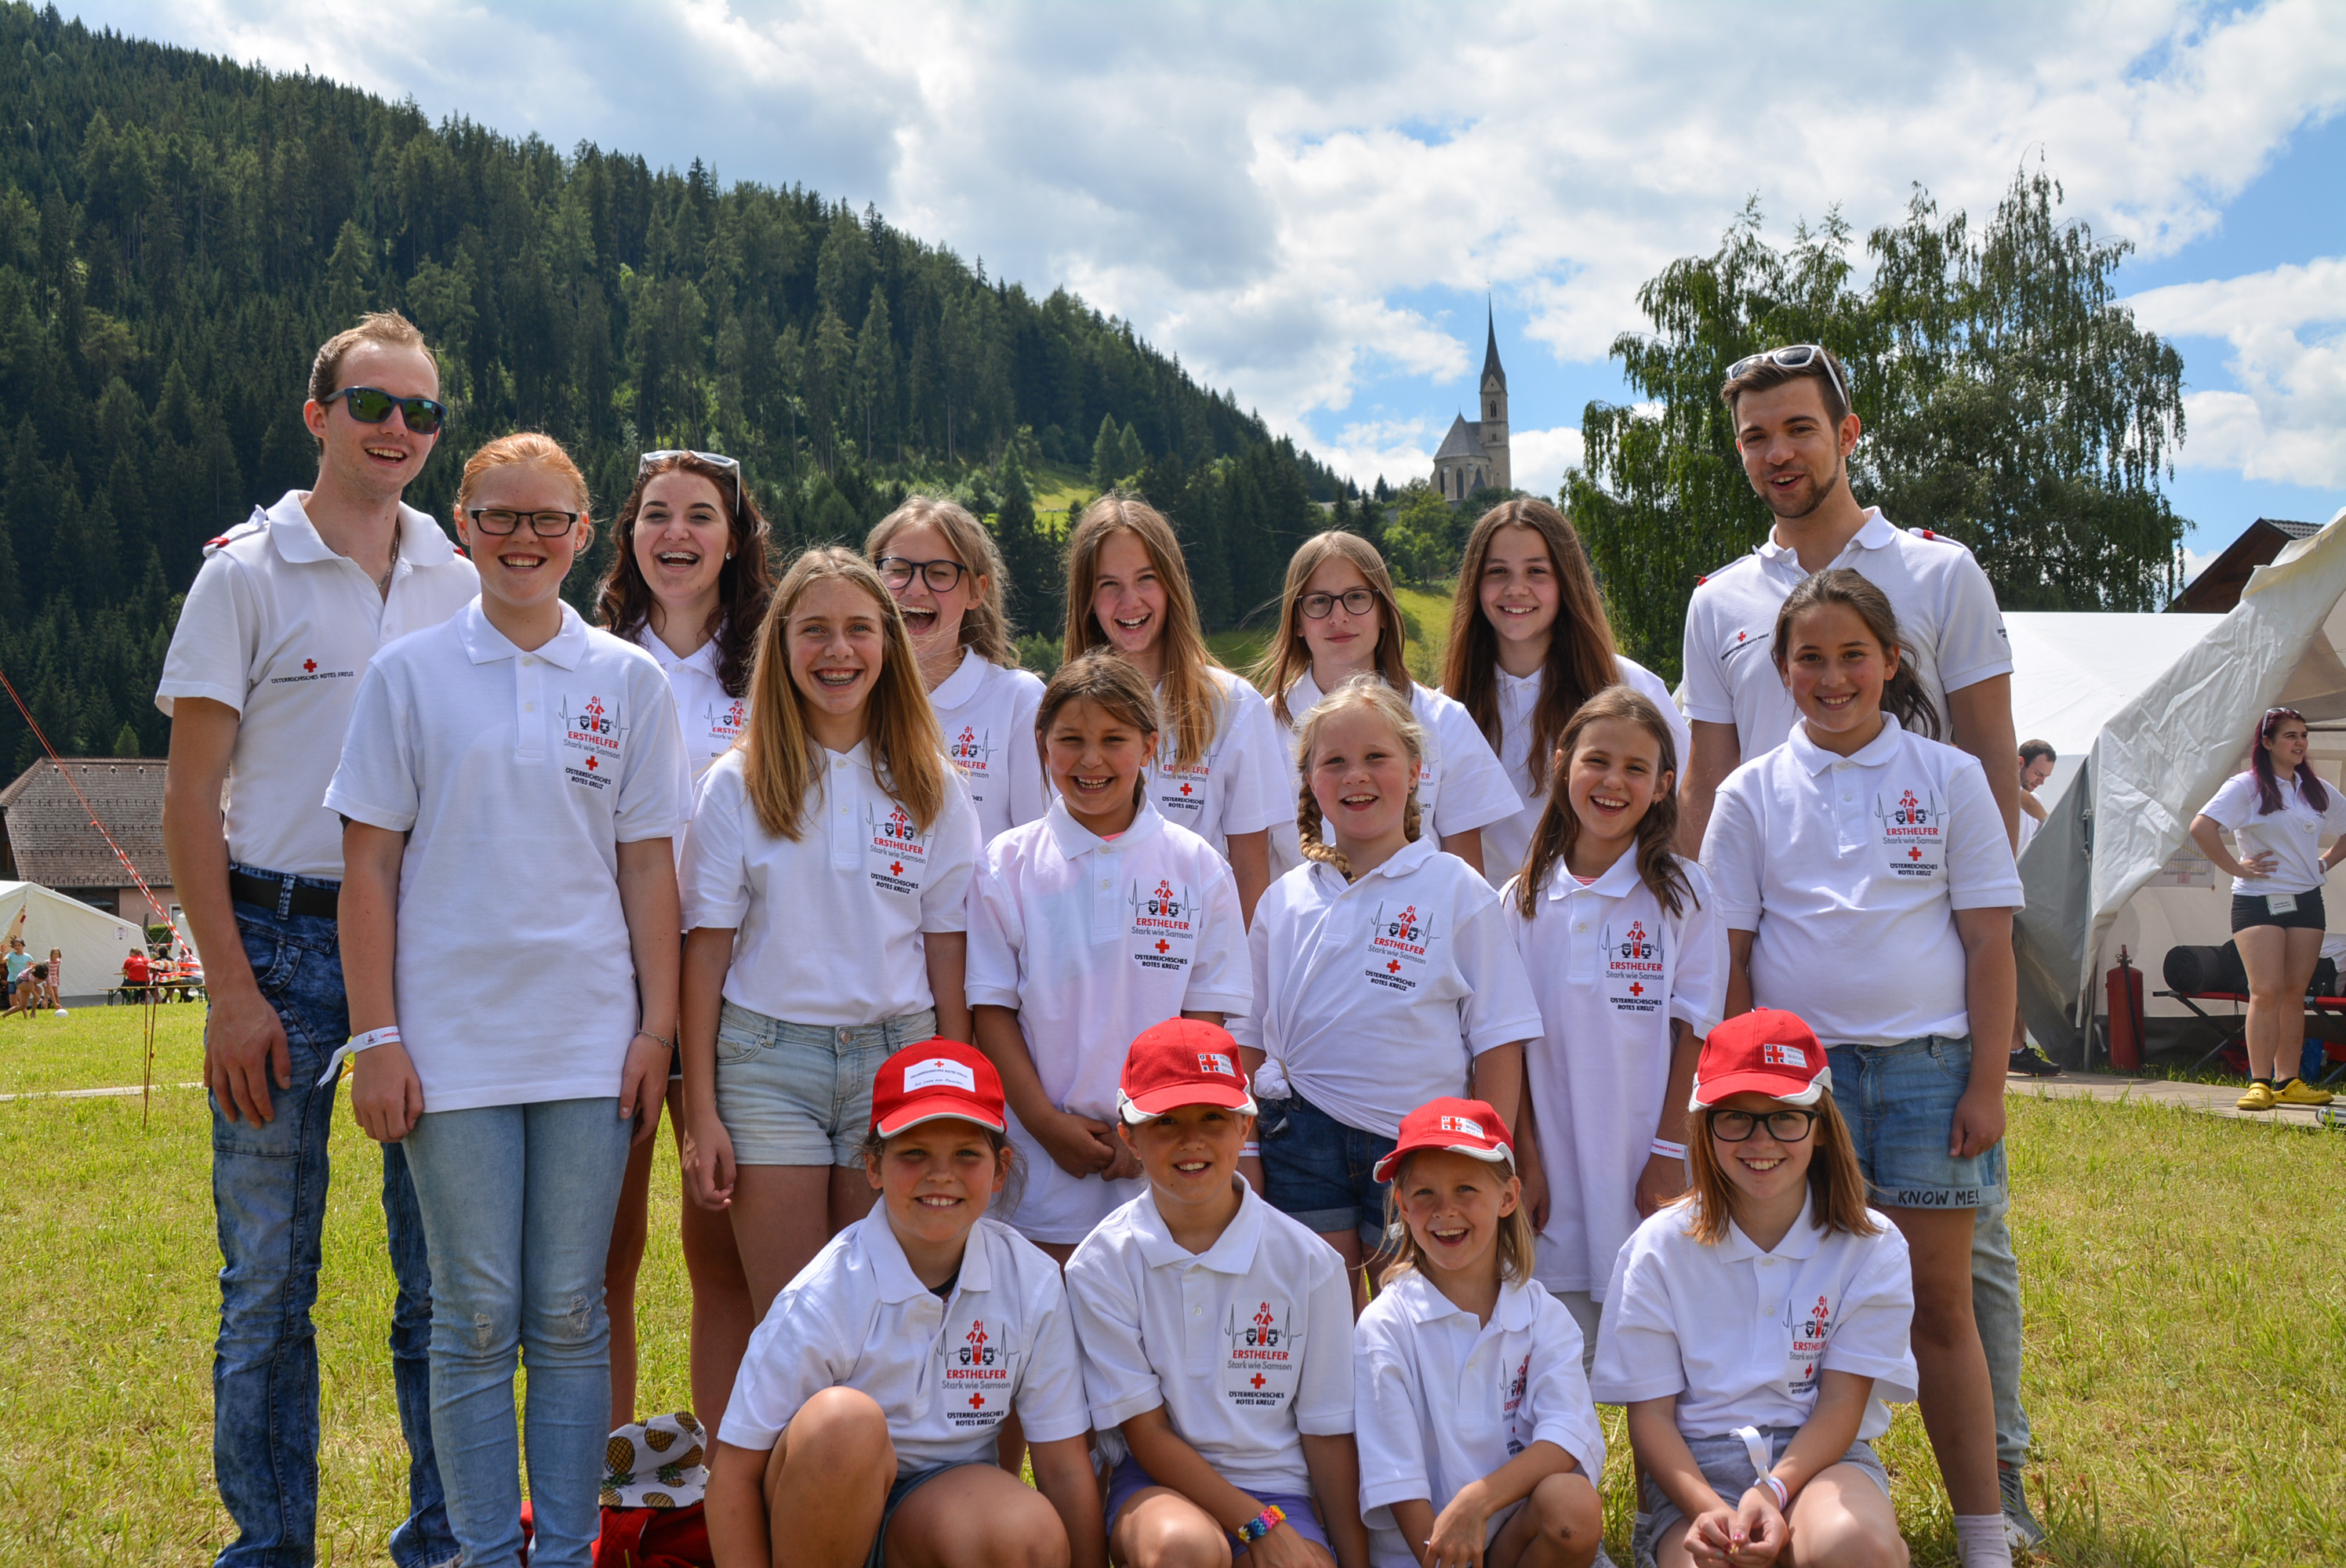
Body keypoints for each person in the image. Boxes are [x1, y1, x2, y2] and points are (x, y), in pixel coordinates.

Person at [1678, 347, 2039, 1550]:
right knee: (1794, 1278)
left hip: (1926, 1006)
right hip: (1793, 1037)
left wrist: (1990, 1036)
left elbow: (1989, 754)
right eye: (1754, 438)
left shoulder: (1940, 569)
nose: (1777, 453)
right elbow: (1711, 783)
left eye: (1797, 428)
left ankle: (2002, 1490)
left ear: (1847, 430)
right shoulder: (1722, 599)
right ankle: (1797, 1487)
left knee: (1956, 1278)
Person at [326, 430, 690, 1566]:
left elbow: (647, 869)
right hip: (451, 1047)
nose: (523, 539)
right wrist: (377, 1036)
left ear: (584, 536)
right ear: (466, 526)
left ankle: (571, 1549)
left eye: (548, 520)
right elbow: (370, 868)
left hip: (590, 1044)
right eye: (500, 517)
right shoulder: (410, 673)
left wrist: (657, 1031)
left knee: (572, 1315)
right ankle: (487, 1555)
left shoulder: (630, 681)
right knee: (476, 1318)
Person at [157, 310, 472, 1568]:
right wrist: (229, 994)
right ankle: (272, 1550)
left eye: (422, 412)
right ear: (317, 416)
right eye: (371, 405)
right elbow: (189, 803)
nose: (398, 429)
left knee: (438, 1290)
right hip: (275, 943)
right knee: (267, 1290)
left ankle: (444, 1543)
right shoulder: (243, 571)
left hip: (422, 952)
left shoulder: (459, 573)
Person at [680, 547, 980, 1348]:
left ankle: (870, 1476)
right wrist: (701, 1109)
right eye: (813, 630)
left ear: (887, 644)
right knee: (791, 1324)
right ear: (780, 647)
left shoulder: (932, 785)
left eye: (857, 629)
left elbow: (946, 950)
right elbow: (704, 955)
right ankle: (771, 1477)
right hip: (769, 1064)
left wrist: (956, 1090)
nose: (837, 650)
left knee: (881, 1316)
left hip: (898, 1060)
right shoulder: (738, 782)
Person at [703, 1040, 1106, 1568]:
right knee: (844, 1423)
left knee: (1029, 1536)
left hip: (936, 1511)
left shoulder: (1032, 1282)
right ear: (873, 1165)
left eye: (967, 1153)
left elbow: (1064, 1467)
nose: (941, 1175)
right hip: (816, 1515)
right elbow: (732, 1475)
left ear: (1000, 1170)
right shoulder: (826, 1292)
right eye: (914, 1153)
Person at [1233, 676, 1540, 1307]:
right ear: (1310, 782)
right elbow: (1248, 1039)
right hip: (1298, 1141)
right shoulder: (1284, 900)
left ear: (1417, 771)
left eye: (1377, 758)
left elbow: (1500, 1040)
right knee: (1321, 1314)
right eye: (1335, 762)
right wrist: (1251, 1150)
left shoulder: (1456, 888)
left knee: (1418, 1317)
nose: (1356, 777)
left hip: (1417, 1151)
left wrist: (1489, 1156)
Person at [1591, 1010, 1920, 1568]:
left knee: (1854, 1547)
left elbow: (1842, 1403)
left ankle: (1872, 1543)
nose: (1761, 1141)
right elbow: (1650, 1418)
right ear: (1703, 1126)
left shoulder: (1873, 1244)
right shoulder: (1656, 1249)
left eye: (1785, 1118)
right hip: (1695, 1476)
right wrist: (1705, 1510)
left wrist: (1772, 1492)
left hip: (1820, 1464)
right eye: (1736, 1119)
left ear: (1819, 1127)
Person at [595, 447, 779, 1430]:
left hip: (736, 992)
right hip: (610, 992)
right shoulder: (584, 655)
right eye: (656, 513)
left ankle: (731, 1498)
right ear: (627, 534)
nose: (677, 533)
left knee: (725, 1258)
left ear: (735, 537)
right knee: (603, 1261)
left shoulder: (774, 669)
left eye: (701, 514)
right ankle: (594, 1510)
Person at [968, 652, 1251, 1258]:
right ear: (1043, 746)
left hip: (1161, 1163)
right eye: (1070, 739)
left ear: (1150, 747)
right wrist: (1046, 1126)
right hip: (1042, 1168)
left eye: (1113, 739)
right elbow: (990, 1013)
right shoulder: (1006, 865)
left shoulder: (1197, 867)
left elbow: (1207, 1022)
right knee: (1042, 1341)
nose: (1090, 760)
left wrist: (1152, 1124)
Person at [1064, 1019, 1370, 1568]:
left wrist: (1351, 1560)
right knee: (1184, 1550)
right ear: (1129, 1135)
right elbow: (1148, 1434)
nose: (1192, 1141)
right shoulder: (1102, 1264)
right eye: (1166, 1123)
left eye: (1213, 1118)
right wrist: (1256, 1526)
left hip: (1281, 1491)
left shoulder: (1311, 1264)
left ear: (1246, 1125)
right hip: (1158, 1488)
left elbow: (1327, 1434)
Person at [1500, 686, 1726, 1366]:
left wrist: (1667, 1152)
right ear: (1564, 762)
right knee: (1556, 1369)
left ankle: (1672, 1477)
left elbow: (1697, 1034)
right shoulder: (1517, 902)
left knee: (1666, 1362)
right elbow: (1506, 1045)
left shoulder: (1684, 894)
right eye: (1597, 760)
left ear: (1662, 786)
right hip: (1554, 1189)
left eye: (1636, 769)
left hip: (1647, 1175)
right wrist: (1526, 1159)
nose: (1613, 781)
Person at [1353, 1097, 1607, 1568]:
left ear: (1509, 1198)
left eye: (1466, 1188)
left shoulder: (1543, 1316)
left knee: (1571, 1505)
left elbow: (1566, 1437)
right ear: (1403, 1206)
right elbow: (1398, 1481)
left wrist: (1478, 1500)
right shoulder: (1386, 1325)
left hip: (1519, 1542)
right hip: (1428, 1552)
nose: (1445, 1211)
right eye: (1424, 1193)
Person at [1063, 495, 1287, 923]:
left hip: (1197, 955)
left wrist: (1242, 982)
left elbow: (1251, 868)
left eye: (1146, 579)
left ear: (1172, 584)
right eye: (1108, 584)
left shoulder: (1234, 705)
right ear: (1086, 599)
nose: (1129, 602)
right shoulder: (1059, 713)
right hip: (1089, 956)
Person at [1444, 499, 1686, 887]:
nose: (1516, 588)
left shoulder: (1630, 687)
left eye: (1537, 571)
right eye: (1497, 572)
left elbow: (1678, 810)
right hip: (1486, 931)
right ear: (1475, 584)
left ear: (1566, 581)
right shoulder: (1446, 710)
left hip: (1610, 923)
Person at [1258, 531, 1520, 878]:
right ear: (1297, 622)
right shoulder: (1259, 726)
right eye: (1319, 601)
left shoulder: (1444, 719)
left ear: (1384, 612)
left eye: (1356, 597)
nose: (1339, 617)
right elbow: (1252, 869)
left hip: (1418, 927)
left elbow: (1466, 875)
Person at [2188, 706, 2345, 1110]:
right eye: (2291, 735)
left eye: (2303, 735)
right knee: (2266, 990)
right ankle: (2259, 1082)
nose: (2300, 743)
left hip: (2307, 899)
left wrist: (2324, 862)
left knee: (2297, 993)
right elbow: (2202, 827)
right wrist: (2235, 867)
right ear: (2267, 742)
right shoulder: (2246, 786)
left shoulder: (2315, 788)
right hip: (2258, 901)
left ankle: (2289, 1080)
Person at [868, 496, 1049, 844]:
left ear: (976, 592)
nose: (916, 588)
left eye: (939, 573)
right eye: (898, 570)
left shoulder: (1017, 702)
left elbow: (1038, 851)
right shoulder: (851, 696)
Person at [2008, 742, 2061, 1079]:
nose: (2041, 780)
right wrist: (2050, 823)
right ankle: (2012, 1049)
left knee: (2023, 981)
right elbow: (2019, 797)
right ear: (2019, 763)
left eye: (2047, 776)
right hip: (2001, 903)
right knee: (2009, 979)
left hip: (2026, 902)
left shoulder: (2034, 800)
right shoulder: (2004, 792)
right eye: (2038, 772)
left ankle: (2019, 1048)